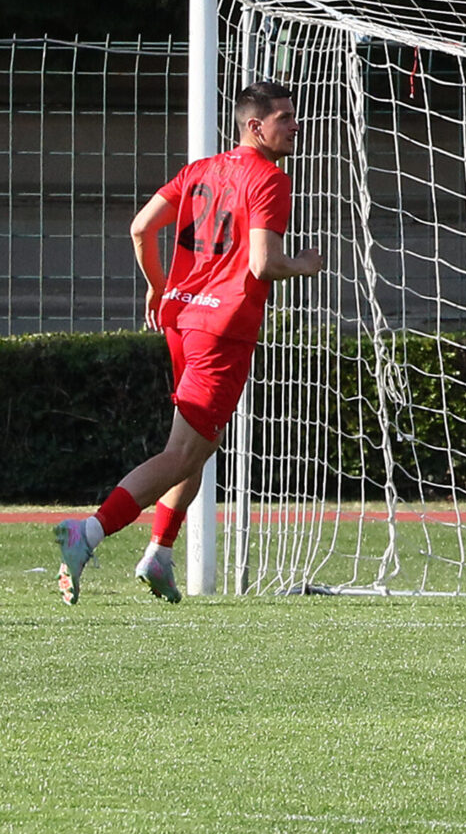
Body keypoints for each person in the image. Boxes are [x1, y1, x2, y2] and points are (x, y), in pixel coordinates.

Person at [57, 82, 324, 606]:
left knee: (199, 445)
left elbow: (140, 228)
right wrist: (306, 264)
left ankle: (160, 552)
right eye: (285, 118)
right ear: (255, 126)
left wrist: (159, 286)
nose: (296, 125)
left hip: (182, 320)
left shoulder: (199, 170)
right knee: (182, 452)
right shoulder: (270, 179)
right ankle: (86, 533)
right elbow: (264, 263)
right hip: (222, 330)